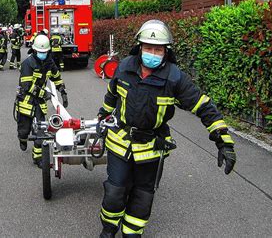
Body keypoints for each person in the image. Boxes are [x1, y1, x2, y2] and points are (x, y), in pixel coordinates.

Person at [97, 20, 236, 238]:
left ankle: (132, 233)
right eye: (148, 48)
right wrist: (102, 116)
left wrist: (223, 141)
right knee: (115, 191)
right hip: (119, 141)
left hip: (151, 147)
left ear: (165, 51)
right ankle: (108, 230)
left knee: (142, 197)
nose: (152, 53)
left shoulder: (174, 77)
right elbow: (112, 94)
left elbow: (203, 105)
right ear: (139, 47)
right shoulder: (124, 67)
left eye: (158, 49)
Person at [15, 34, 69, 166]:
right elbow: (27, 86)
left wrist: (62, 90)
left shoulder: (49, 62)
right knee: (24, 128)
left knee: (41, 128)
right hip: (26, 100)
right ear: (34, 50)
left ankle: (38, 157)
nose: (43, 54)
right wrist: (44, 93)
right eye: (40, 52)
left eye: (45, 52)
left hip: (39, 101)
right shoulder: (27, 64)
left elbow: (56, 77)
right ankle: (22, 138)